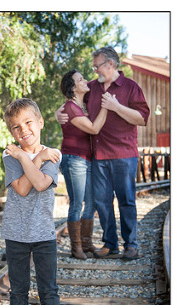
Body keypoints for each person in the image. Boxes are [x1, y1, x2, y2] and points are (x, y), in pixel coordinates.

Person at [56, 47, 150, 260]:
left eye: (96, 65)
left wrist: (116, 107)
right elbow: (71, 100)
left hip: (124, 154)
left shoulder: (130, 87)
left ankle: (131, 245)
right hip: (98, 155)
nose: (94, 69)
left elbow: (142, 119)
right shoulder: (92, 88)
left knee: (126, 201)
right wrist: (57, 114)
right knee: (103, 203)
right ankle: (110, 244)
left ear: (110, 64)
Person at [0, 98, 66, 305]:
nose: (23, 130)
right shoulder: (10, 156)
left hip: (44, 235)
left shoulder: (52, 154)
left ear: (40, 122)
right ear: (11, 132)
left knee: (48, 290)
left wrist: (33, 157)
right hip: (15, 233)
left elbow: (38, 184)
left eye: (28, 122)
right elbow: (21, 189)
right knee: (18, 289)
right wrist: (32, 157)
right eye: (15, 127)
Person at [58, 70, 110, 259]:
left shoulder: (83, 105)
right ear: (73, 88)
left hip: (87, 160)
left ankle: (87, 243)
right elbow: (94, 129)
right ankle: (76, 247)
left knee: (92, 202)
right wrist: (107, 106)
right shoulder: (71, 108)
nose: (85, 80)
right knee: (77, 204)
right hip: (74, 159)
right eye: (80, 80)